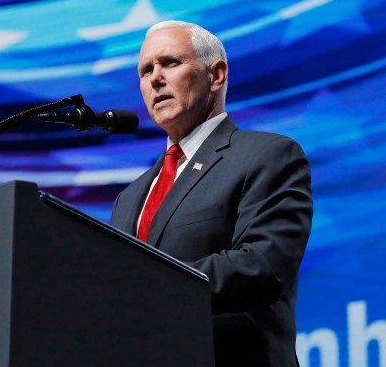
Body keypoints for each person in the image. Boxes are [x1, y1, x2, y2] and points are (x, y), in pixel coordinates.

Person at [110, 20, 313, 367]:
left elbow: (261, 265)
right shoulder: (129, 198)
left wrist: (147, 288)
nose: (155, 78)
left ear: (216, 75)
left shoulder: (266, 155)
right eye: (146, 71)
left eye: (170, 63)